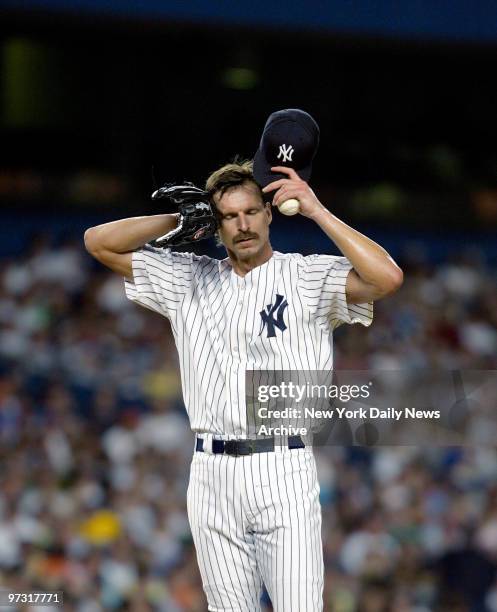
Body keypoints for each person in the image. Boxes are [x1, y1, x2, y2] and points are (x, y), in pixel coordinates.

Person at [84, 160, 403, 611]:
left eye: (251, 211)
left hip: (283, 467)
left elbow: (386, 278)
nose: (243, 224)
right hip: (211, 472)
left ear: (269, 213)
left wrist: (317, 210)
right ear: (216, 225)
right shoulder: (188, 278)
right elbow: (97, 242)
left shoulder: (304, 276)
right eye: (228, 217)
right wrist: (180, 219)